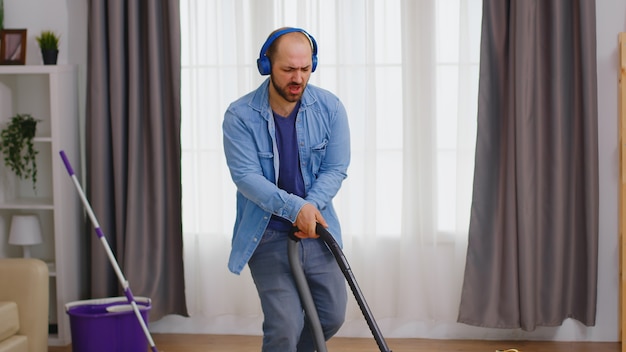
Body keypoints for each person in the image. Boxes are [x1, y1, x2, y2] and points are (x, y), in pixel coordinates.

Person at [222, 27, 351, 352]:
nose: (298, 77)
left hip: (317, 232)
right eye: (288, 69)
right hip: (267, 234)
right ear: (267, 65)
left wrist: (310, 209)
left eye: (305, 68)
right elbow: (247, 176)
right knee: (285, 327)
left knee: (331, 316)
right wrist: (296, 209)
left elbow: (335, 169)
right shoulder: (239, 116)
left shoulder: (330, 108)